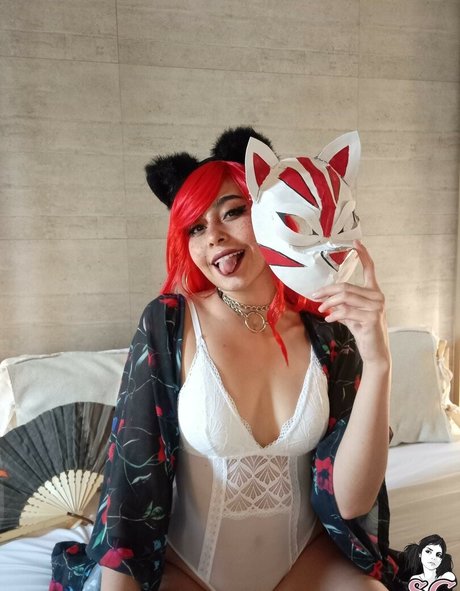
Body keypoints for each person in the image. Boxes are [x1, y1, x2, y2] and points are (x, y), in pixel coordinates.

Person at [81, 127, 398, 591]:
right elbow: (129, 489)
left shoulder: (328, 334)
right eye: (195, 227)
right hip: (189, 573)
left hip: (305, 563)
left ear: (271, 212)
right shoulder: (170, 323)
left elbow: (352, 502)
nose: (214, 236)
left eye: (233, 212)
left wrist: (379, 361)